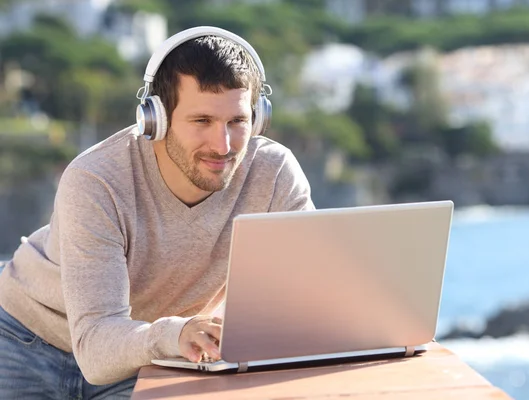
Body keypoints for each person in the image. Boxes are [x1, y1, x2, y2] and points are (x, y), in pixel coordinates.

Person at [0, 26, 314, 399]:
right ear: (156, 119)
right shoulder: (97, 179)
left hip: (145, 351)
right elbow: (98, 348)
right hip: (25, 337)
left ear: (257, 117)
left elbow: (310, 292)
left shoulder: (274, 174)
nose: (223, 144)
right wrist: (175, 333)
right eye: (202, 121)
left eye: (237, 121)